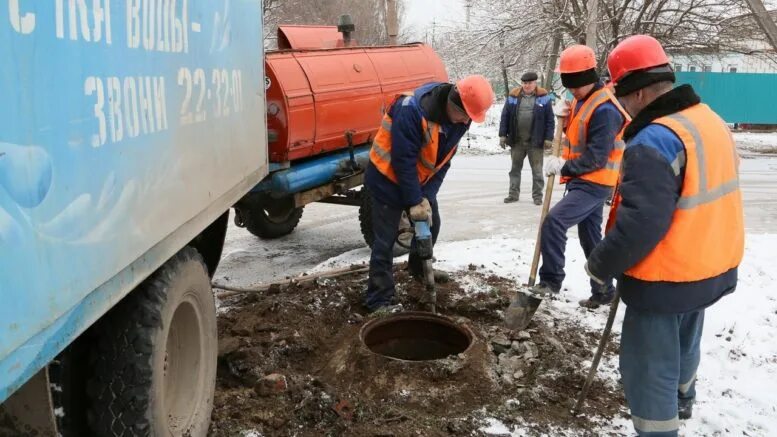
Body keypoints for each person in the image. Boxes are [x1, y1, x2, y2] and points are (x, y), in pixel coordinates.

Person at [585, 35, 744, 437]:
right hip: (709, 263)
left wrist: (600, 263)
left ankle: (659, 428)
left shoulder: (654, 139)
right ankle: (683, 400)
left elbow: (641, 224)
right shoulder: (710, 120)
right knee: (685, 341)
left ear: (637, 92)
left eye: (621, 96)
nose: (621, 105)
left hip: (664, 276)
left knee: (648, 366)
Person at [363, 75, 495, 313]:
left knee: (431, 226)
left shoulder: (461, 120)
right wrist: (414, 201)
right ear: (453, 105)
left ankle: (418, 267)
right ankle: (378, 299)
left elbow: (443, 163)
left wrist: (426, 197)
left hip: (420, 182)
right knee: (384, 241)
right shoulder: (411, 111)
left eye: (470, 118)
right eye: (465, 115)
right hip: (387, 179)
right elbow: (403, 162)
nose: (467, 122)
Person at [530, 44, 628, 309]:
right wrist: (565, 116)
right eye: (568, 85)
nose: (571, 90)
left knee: (554, 222)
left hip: (595, 182)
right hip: (583, 181)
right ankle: (604, 290)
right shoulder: (581, 99)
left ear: (587, 77)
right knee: (590, 237)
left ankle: (550, 281)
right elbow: (577, 139)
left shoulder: (606, 109)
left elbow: (597, 156)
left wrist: (563, 166)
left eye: (575, 84)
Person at [498, 71, 555, 205]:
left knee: (537, 171)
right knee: (514, 170)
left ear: (535, 83)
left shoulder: (544, 97)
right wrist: (502, 135)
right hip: (517, 141)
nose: (527, 85)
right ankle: (513, 195)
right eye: (524, 83)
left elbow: (550, 120)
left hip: (535, 142)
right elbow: (505, 116)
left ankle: (537, 196)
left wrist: (548, 138)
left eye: (529, 83)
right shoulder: (513, 97)